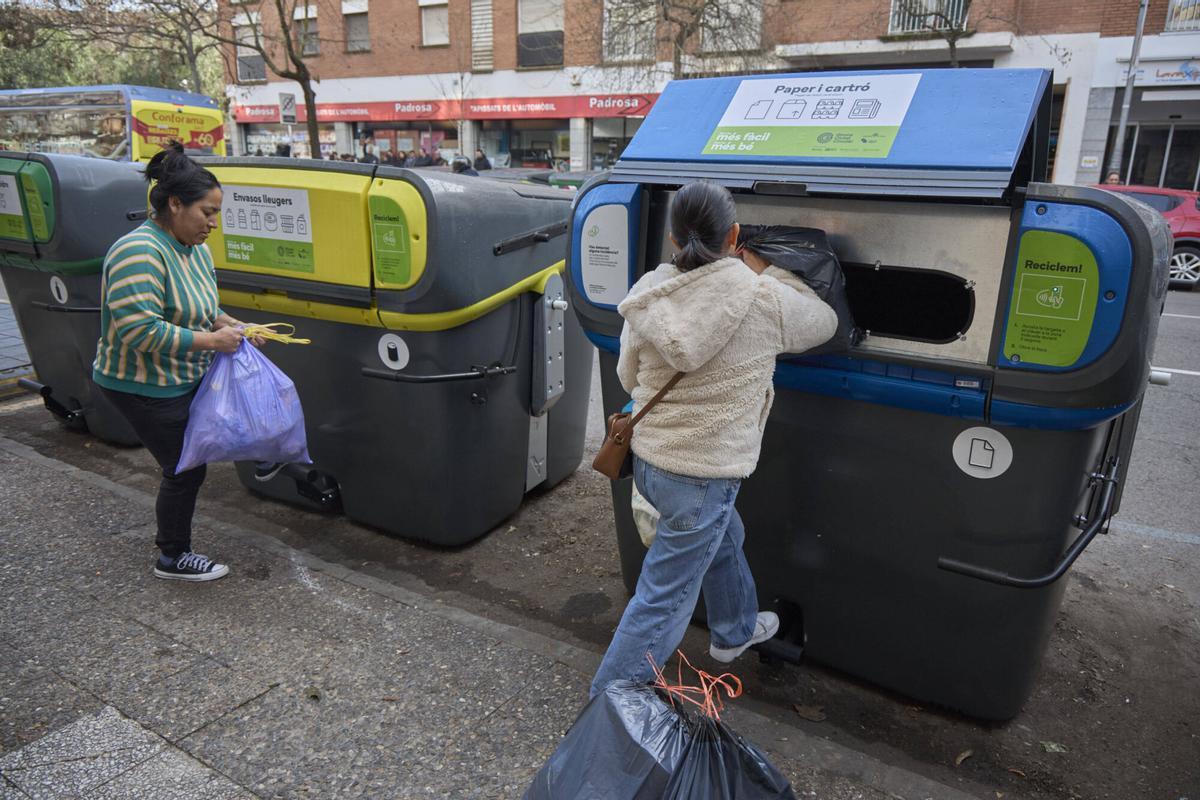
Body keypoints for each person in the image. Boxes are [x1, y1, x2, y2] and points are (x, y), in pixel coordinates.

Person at [589, 181, 838, 698]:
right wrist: (767, 268)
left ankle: (734, 632)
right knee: (663, 601)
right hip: (705, 473)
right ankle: (612, 708)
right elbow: (826, 321)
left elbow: (629, 375)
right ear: (736, 234)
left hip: (653, 461)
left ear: (673, 237)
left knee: (724, 538)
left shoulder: (651, 294)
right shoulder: (765, 299)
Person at [92, 143, 267, 582]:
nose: (213, 223)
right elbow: (139, 329)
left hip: (179, 375)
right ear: (174, 203)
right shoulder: (139, 253)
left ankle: (174, 549)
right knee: (185, 467)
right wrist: (214, 341)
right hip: (140, 383)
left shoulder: (195, 250)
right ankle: (172, 557)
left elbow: (204, 306)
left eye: (217, 214)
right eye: (206, 212)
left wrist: (233, 325)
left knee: (192, 459)